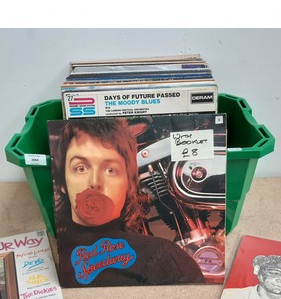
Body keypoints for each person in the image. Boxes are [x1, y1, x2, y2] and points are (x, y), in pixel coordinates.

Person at [49, 117, 205, 287]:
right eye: (81, 168)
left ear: (130, 184)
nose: (95, 182)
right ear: (62, 183)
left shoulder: (165, 261)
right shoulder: (50, 257)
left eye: (110, 170)